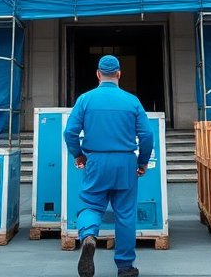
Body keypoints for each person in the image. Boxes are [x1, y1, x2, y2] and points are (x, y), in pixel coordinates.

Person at [64, 54, 154, 277]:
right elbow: (147, 135)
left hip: (96, 161)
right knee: (125, 214)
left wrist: (79, 155)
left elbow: (70, 132)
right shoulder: (132, 101)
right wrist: (142, 161)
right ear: (119, 74)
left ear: (97, 74)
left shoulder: (85, 99)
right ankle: (125, 267)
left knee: (90, 205)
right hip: (125, 162)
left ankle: (89, 237)